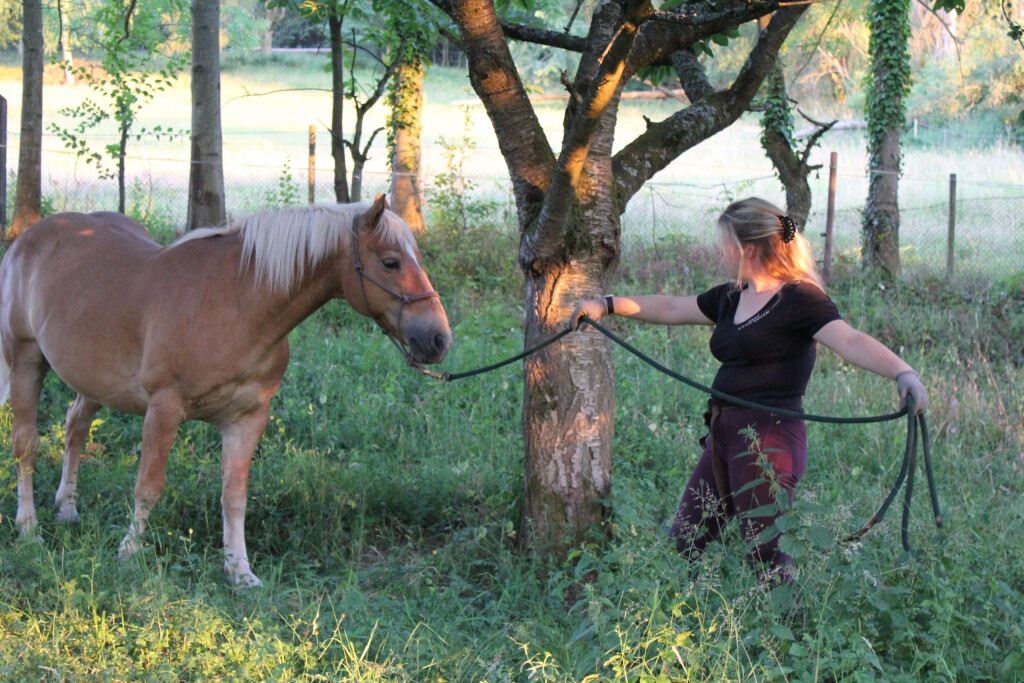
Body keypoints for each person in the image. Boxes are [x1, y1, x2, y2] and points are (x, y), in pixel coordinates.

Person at [570, 197, 928, 585]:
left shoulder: (800, 298)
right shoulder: (731, 297)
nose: (720, 250)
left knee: (769, 559)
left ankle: (793, 635)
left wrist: (903, 372)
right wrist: (606, 305)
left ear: (748, 249)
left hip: (769, 444)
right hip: (724, 438)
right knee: (684, 544)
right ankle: (678, 626)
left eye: (725, 242)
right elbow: (674, 308)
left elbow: (851, 341)